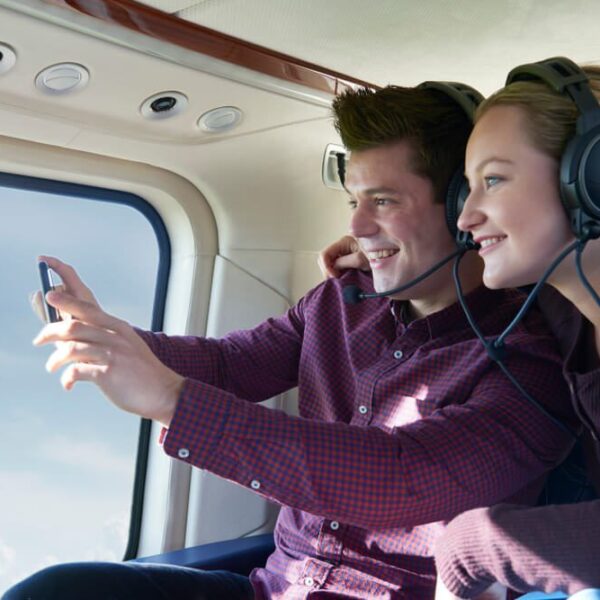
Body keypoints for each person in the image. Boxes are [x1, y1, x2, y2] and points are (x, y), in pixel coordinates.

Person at [3, 85, 577, 600]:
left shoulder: (532, 362)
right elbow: (231, 365)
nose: (357, 226)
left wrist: (172, 401)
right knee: (55, 592)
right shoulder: (339, 301)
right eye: (353, 200)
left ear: (458, 210)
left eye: (383, 200)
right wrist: (113, 340)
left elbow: (399, 476)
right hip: (273, 586)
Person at [319, 61, 600, 599]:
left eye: (493, 180)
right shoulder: (567, 310)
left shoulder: (547, 334)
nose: (466, 217)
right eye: (464, 191)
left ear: (591, 181)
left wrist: (475, 544)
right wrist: (381, 248)